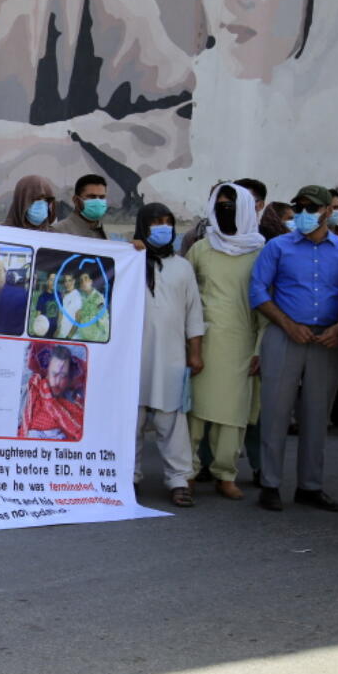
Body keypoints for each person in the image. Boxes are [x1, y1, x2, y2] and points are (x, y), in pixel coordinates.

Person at [252, 185, 338, 512]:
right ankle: (270, 483)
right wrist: (287, 324)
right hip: (285, 334)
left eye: (312, 208)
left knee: (316, 414)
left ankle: (310, 485)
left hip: (327, 339)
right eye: (300, 208)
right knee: (275, 410)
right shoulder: (277, 247)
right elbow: (257, 291)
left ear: (327, 211)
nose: (304, 214)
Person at [185, 182, 264, 500]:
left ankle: (225, 474)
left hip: (241, 343)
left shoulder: (261, 251)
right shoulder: (200, 249)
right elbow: (185, 296)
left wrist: (260, 348)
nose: (225, 209)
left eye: (231, 204)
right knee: (195, 412)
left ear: (245, 208)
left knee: (233, 415)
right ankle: (185, 472)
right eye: (220, 203)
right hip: (201, 342)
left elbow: (266, 304)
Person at [133, 203, 206, 507]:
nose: (162, 227)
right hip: (133, 357)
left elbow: (194, 313)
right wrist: (128, 251)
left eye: (167, 222)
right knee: (132, 419)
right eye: (155, 222)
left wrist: (196, 352)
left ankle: (179, 479)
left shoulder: (182, 267)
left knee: (171, 419)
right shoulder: (129, 261)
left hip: (171, 356)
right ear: (143, 227)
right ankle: (128, 476)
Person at [18, 344, 85, 440]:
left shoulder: (73, 404)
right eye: (55, 374)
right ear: (47, 371)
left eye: (63, 376)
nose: (57, 382)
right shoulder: (30, 390)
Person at [52, 174, 108, 238]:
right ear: (76, 200)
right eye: (92, 197)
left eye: (102, 197)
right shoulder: (58, 231)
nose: (98, 201)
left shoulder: (106, 234)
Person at [73, 269, 110, 342]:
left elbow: (104, 317)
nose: (83, 282)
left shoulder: (98, 298)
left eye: (86, 279)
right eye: (81, 281)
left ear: (91, 281)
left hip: (95, 339)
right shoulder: (83, 298)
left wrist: (104, 338)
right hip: (84, 337)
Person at [55, 272, 83, 340]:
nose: (67, 283)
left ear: (73, 281)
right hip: (61, 334)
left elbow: (78, 319)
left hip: (70, 337)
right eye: (65, 281)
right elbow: (61, 313)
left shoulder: (77, 296)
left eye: (69, 280)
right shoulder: (64, 295)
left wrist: (69, 337)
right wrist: (57, 330)